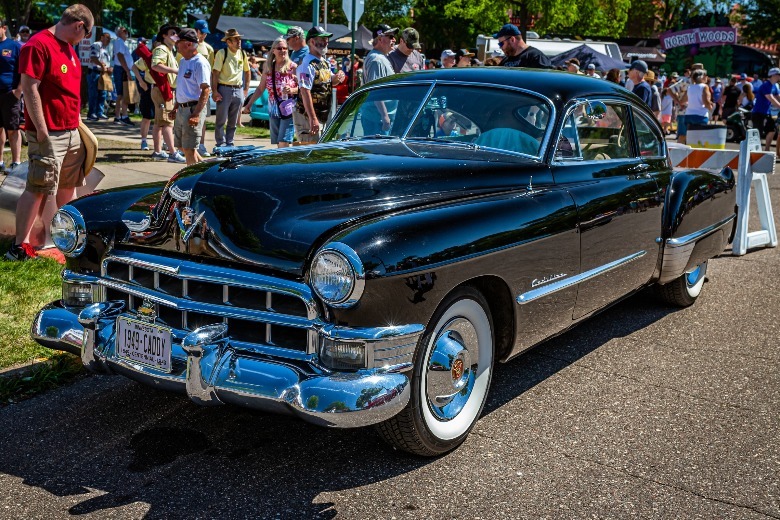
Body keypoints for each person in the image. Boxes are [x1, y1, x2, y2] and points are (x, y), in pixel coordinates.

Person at [6, 4, 93, 261]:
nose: (84, 39)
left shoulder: (69, 49)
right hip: (49, 133)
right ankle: (19, 246)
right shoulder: (38, 44)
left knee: (68, 188)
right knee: (38, 187)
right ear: (79, 25)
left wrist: (78, 124)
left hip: (71, 131)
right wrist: (42, 132)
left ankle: (69, 240)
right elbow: (29, 88)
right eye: (85, 33)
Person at [294, 26, 345, 144]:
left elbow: (330, 81)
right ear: (312, 42)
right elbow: (305, 92)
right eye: (322, 39)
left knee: (318, 153)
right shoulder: (306, 64)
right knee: (310, 153)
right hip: (307, 117)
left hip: (321, 116)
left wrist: (337, 77)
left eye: (326, 39)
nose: (326, 42)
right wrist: (313, 119)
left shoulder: (323, 62)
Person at [244, 37, 297, 148]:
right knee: (279, 141)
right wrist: (249, 104)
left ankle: (285, 164)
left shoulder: (292, 67)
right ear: (273, 50)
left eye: (285, 48)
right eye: (279, 48)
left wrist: (292, 90)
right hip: (273, 107)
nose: (283, 50)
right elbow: (260, 88)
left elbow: (303, 88)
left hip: (288, 107)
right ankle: (282, 163)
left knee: (284, 140)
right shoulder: (268, 67)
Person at [172, 28, 210, 165]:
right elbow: (182, 87)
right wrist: (176, 107)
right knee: (182, 146)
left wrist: (196, 114)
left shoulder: (200, 63)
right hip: (182, 109)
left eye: (178, 42)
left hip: (193, 108)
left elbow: (206, 90)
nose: (176, 45)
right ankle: (204, 168)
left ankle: (193, 180)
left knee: (189, 148)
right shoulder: (183, 61)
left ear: (188, 44)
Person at [150, 24, 185, 163]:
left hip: (164, 90)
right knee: (168, 123)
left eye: (177, 33)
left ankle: (158, 151)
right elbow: (155, 65)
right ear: (164, 35)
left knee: (159, 123)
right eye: (172, 33)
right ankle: (173, 153)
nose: (176, 35)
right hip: (163, 90)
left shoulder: (170, 50)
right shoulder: (162, 49)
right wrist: (175, 71)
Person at [211, 28, 250, 148]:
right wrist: (215, 91)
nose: (239, 42)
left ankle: (230, 142)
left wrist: (245, 90)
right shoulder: (222, 53)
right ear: (228, 42)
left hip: (238, 89)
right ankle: (220, 143)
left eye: (239, 39)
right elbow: (215, 73)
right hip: (224, 88)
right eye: (236, 39)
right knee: (221, 120)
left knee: (233, 121)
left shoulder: (242, 53)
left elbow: (247, 72)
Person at [361, 25, 397, 135]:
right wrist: (385, 117)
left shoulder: (379, 57)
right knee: (378, 151)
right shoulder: (377, 59)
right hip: (377, 120)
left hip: (378, 119)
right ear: (380, 39)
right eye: (390, 36)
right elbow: (375, 91)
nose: (394, 39)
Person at [0, 19, 23, 173]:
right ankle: (0, 161)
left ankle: (16, 162)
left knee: (13, 129)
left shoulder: (14, 46)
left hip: (10, 94)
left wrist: (18, 91)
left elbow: (24, 70)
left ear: (3, 28)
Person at [192, 19, 213, 158]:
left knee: (203, 117)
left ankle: (201, 144)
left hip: (203, 88)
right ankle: (188, 145)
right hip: (190, 88)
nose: (204, 35)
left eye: (206, 33)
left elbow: (209, 70)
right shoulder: (187, 46)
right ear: (196, 31)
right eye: (202, 32)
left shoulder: (209, 48)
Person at [132, 41, 154, 152]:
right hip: (149, 87)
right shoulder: (149, 56)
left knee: (163, 119)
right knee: (147, 116)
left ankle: (163, 142)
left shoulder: (169, 53)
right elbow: (134, 67)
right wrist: (141, 82)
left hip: (162, 89)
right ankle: (144, 140)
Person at [751, 67, 780, 152]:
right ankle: (755, 152)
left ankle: (766, 149)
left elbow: (778, 97)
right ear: (773, 75)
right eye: (778, 75)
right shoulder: (766, 85)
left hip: (767, 112)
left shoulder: (774, 86)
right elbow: (771, 98)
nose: (779, 77)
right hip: (758, 112)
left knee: (772, 129)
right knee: (757, 133)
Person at [680, 69, 713, 144]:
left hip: (689, 115)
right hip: (700, 115)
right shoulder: (704, 87)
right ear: (702, 77)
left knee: (688, 138)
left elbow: (682, 101)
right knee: (699, 140)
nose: (707, 78)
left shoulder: (690, 87)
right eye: (705, 76)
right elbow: (706, 102)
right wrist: (711, 108)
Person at [86, 30, 110, 121]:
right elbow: (93, 58)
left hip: (103, 73)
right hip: (94, 72)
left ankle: (99, 112)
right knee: (94, 93)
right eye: (107, 38)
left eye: (109, 39)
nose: (108, 40)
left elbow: (106, 62)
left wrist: (108, 67)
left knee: (102, 94)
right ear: (102, 37)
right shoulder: (96, 45)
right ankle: (91, 113)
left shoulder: (106, 49)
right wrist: (101, 65)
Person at [112, 26, 134, 125]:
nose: (126, 32)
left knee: (123, 94)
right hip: (121, 70)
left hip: (122, 69)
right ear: (119, 33)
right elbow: (120, 56)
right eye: (124, 31)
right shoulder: (119, 42)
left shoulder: (121, 43)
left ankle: (119, 116)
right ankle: (122, 116)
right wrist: (127, 71)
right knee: (123, 93)